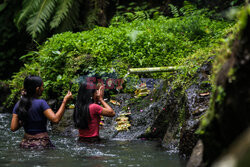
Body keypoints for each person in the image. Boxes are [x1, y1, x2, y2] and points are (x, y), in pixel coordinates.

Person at [10, 75, 73, 148]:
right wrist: (65, 101)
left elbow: (13, 128)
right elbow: (55, 119)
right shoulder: (41, 103)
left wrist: (25, 118)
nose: (43, 89)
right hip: (41, 144)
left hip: (25, 144)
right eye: (42, 86)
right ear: (37, 89)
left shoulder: (19, 104)